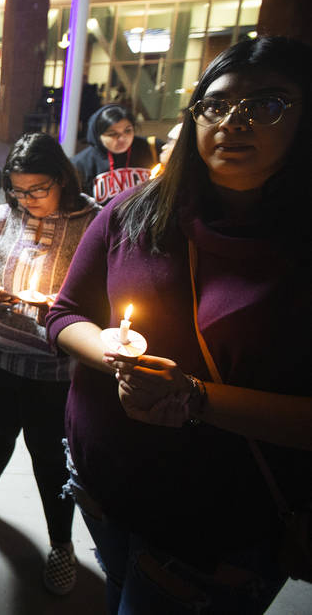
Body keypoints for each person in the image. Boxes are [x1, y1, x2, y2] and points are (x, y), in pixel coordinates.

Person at [45, 36, 312, 614]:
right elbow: (65, 315)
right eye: (216, 105)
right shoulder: (134, 211)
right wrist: (112, 351)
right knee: (117, 584)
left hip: (214, 528)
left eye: (266, 104)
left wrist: (193, 397)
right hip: (101, 483)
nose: (234, 122)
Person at [0, 132, 101, 596]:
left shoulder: (92, 223)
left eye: (38, 189)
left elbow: (103, 292)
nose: (27, 200)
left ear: (62, 179)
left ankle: (60, 543)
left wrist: (61, 308)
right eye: (17, 189)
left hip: (53, 371)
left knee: (51, 457)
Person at [71, 104, 156, 205]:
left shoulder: (152, 148)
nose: (122, 139)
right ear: (97, 135)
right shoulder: (81, 164)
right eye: (112, 134)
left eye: (127, 131)